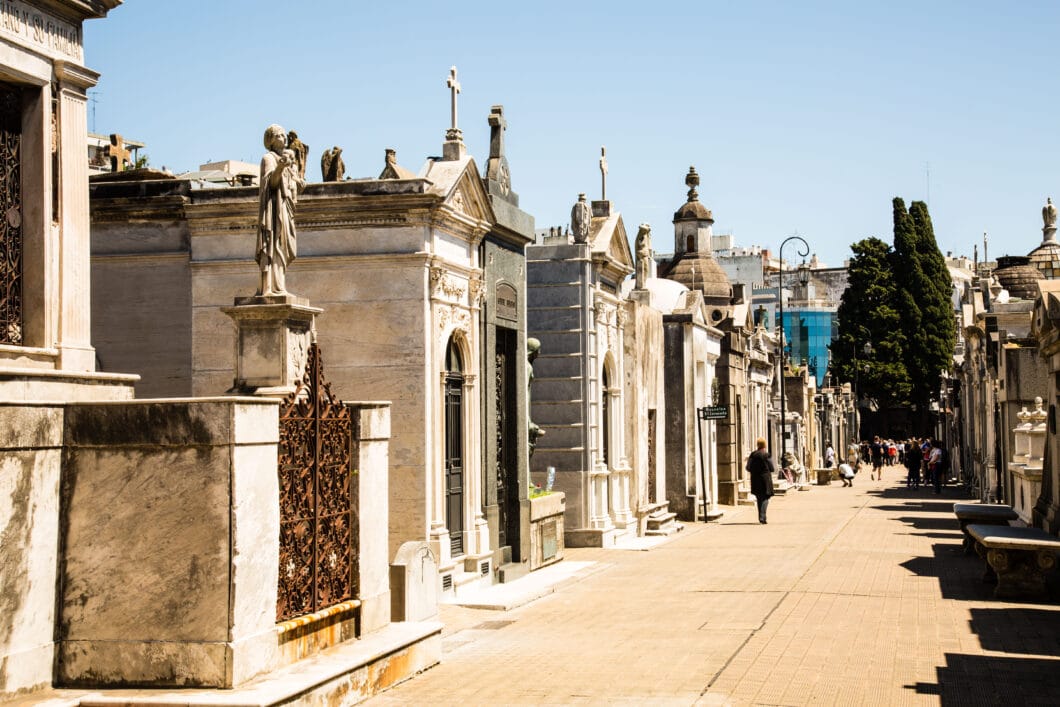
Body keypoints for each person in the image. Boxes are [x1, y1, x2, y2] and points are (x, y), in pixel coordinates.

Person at [256, 124, 304, 297]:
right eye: (278, 135)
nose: (283, 138)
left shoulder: (288, 161)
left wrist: (297, 182)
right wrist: (281, 167)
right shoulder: (268, 158)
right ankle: (271, 287)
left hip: (285, 208)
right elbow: (271, 184)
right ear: (270, 139)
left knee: (284, 247)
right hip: (273, 209)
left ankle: (279, 285)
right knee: (273, 244)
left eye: (284, 135)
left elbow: (291, 186)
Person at [746, 438, 775, 524]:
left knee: (759, 497)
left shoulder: (753, 455)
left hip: (755, 479)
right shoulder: (766, 455)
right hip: (765, 479)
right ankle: (762, 517)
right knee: (765, 497)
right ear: (765, 445)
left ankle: (761, 516)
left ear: (758, 445)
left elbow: (748, 467)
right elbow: (772, 468)